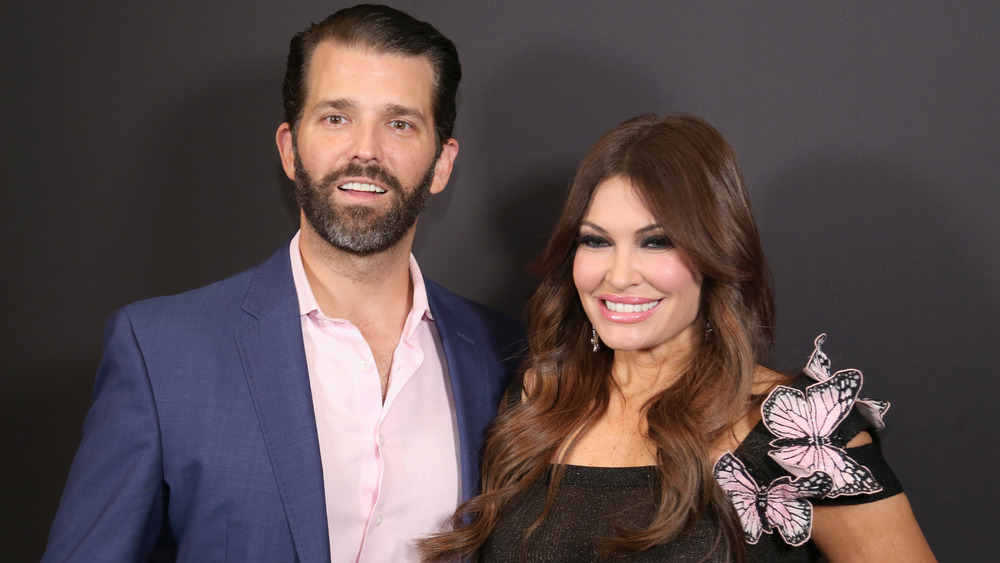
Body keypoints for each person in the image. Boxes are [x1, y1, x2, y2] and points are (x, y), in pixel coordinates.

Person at [43, 5, 523, 562]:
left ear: (441, 163)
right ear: (290, 149)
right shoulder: (160, 353)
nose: (365, 151)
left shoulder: (503, 357)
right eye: (336, 118)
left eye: (399, 123)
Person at [420, 114, 934, 561]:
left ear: (717, 252)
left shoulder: (798, 431)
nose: (619, 276)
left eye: (656, 242)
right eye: (596, 241)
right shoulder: (530, 403)